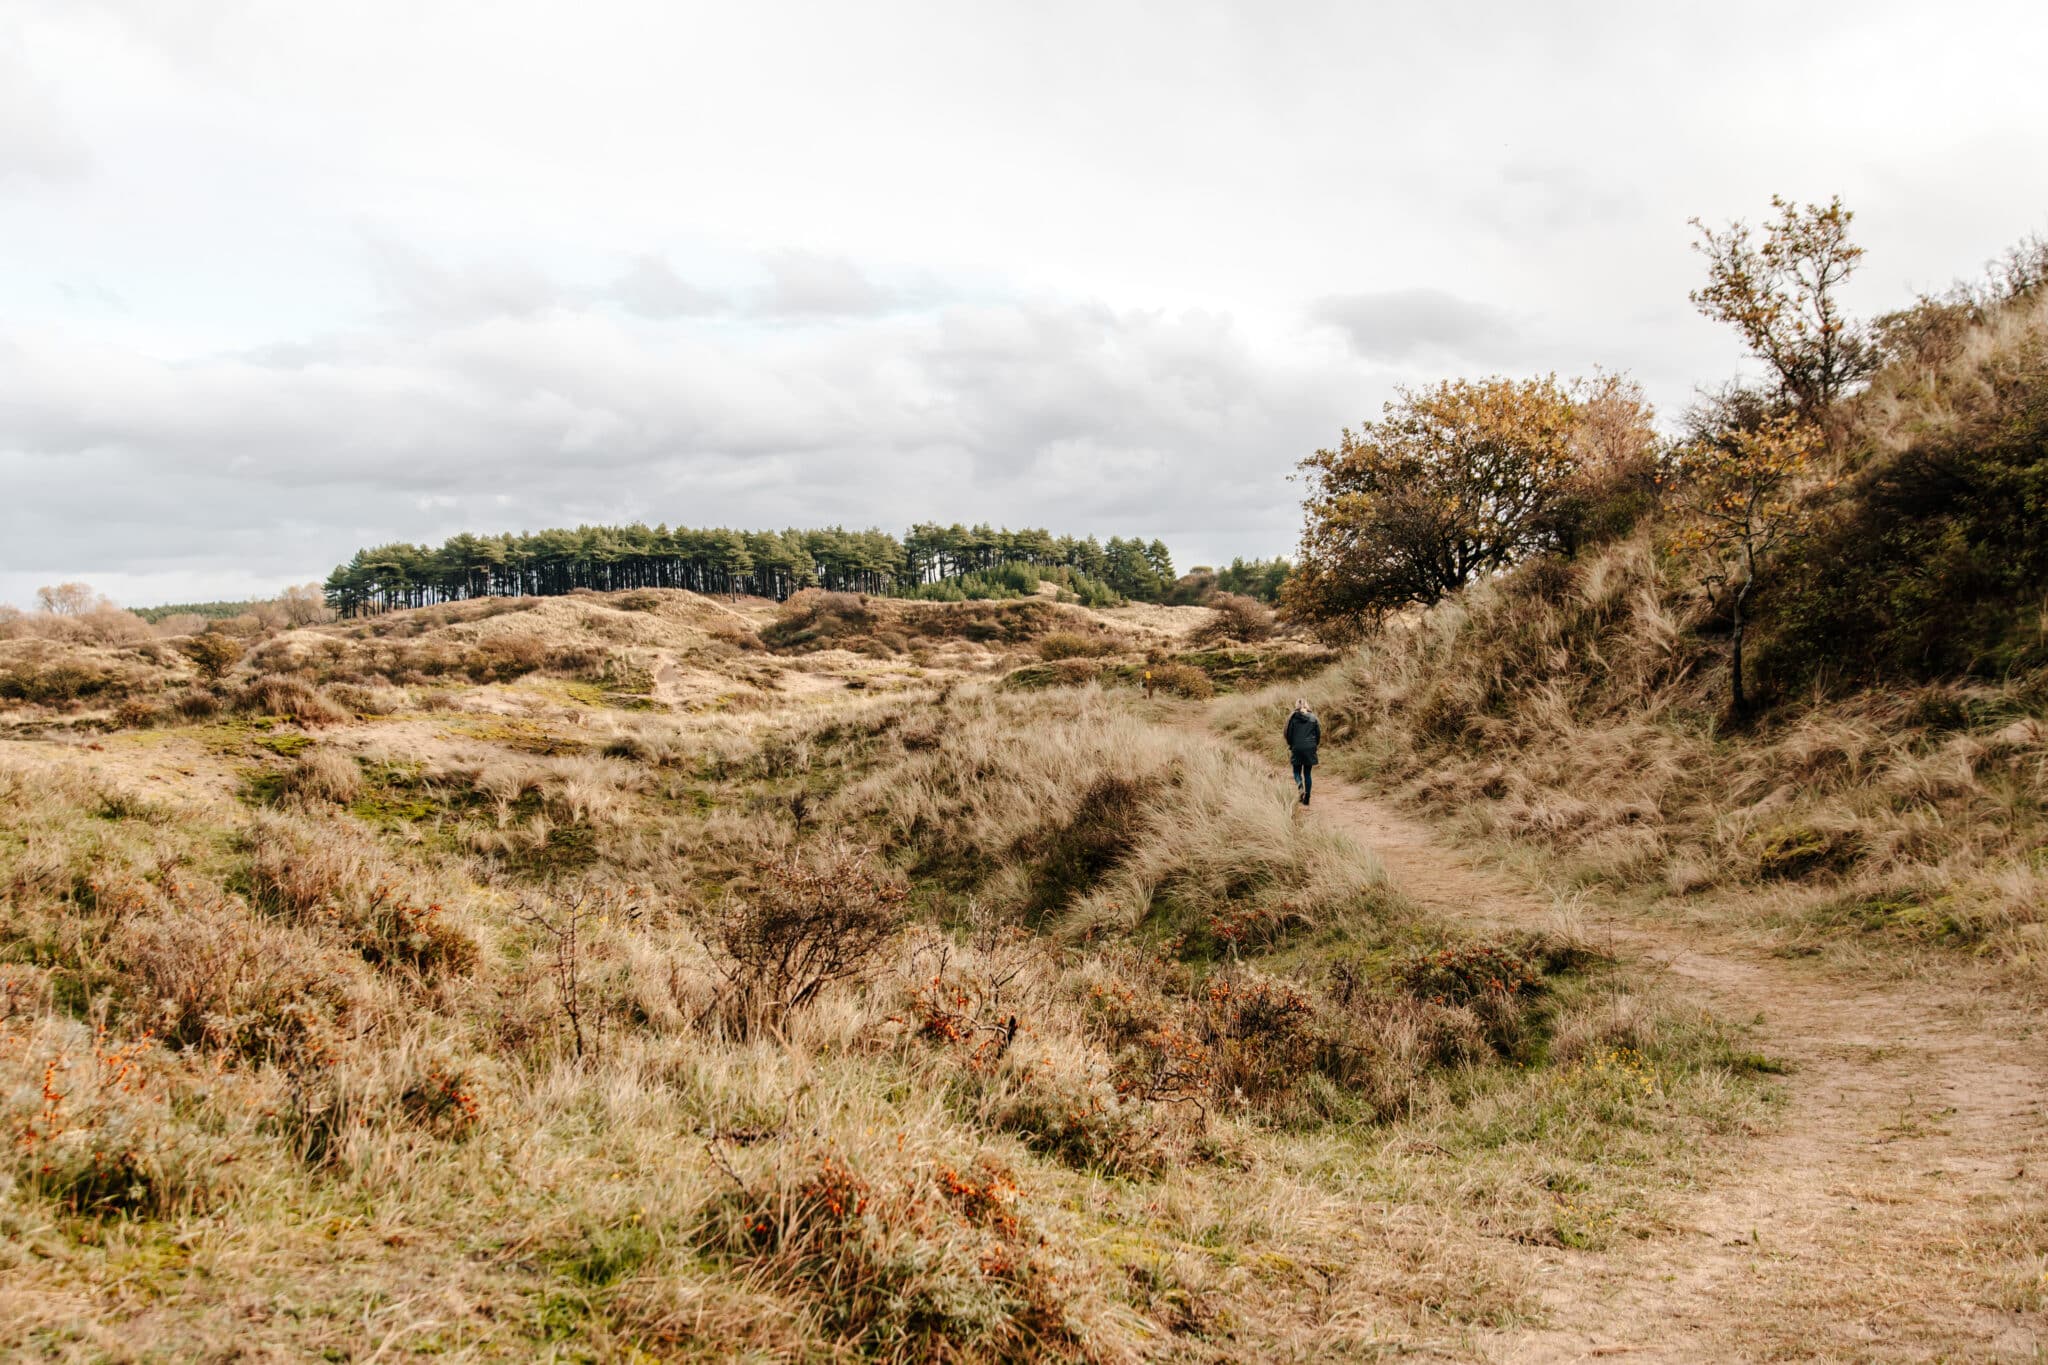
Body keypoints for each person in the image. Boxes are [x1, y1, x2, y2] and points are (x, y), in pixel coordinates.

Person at [1284, 698, 1319, 806]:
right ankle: (1307, 797)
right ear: (1307, 705)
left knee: (1296, 772)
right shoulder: (1313, 718)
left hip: (1297, 747)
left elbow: (1287, 733)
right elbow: (1318, 734)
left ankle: (1300, 786)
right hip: (1310, 747)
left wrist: (1291, 744)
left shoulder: (1292, 718)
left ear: (1296, 706)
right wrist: (1314, 745)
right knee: (1307, 773)